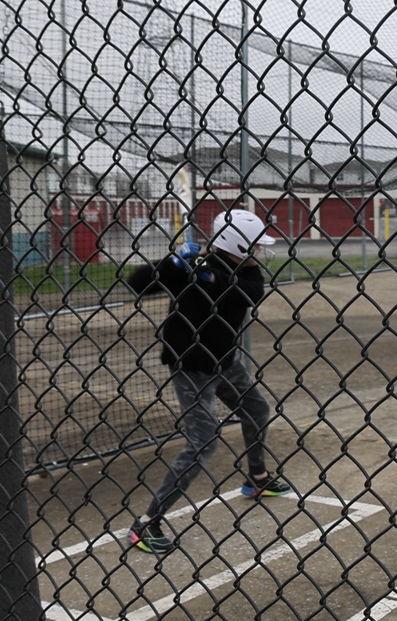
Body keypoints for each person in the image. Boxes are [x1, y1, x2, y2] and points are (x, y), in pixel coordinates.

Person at [125, 209, 291, 554]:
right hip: (192, 367)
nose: (260, 251)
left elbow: (250, 294)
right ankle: (146, 523)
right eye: (255, 245)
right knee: (203, 442)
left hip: (226, 362)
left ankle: (257, 478)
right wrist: (172, 263)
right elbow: (137, 283)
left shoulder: (245, 270)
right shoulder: (190, 268)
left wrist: (211, 277)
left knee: (257, 409)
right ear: (236, 245)